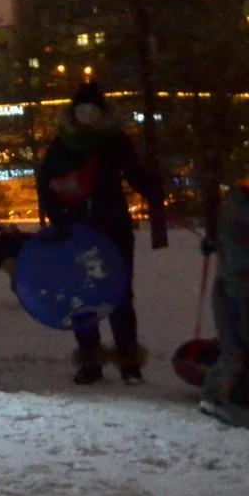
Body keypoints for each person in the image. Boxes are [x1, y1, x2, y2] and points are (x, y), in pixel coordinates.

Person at [37, 82, 166, 383]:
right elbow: (46, 185)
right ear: (73, 113)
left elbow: (134, 172)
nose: (86, 115)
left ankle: (128, 360)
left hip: (113, 226)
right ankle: (91, 361)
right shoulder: (61, 145)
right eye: (81, 110)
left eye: (92, 110)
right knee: (81, 296)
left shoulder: (115, 142)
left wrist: (154, 192)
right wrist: (58, 220)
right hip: (77, 229)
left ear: (101, 114)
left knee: (120, 293)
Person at [199, 177, 249, 428]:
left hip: (240, 288)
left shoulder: (238, 212)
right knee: (237, 348)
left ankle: (230, 391)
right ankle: (215, 398)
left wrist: (214, 241)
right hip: (236, 291)